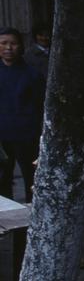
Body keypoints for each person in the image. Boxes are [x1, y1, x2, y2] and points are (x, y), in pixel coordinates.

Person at [0, 27, 44, 201]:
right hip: (1, 137)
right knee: (2, 179)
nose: (8, 48)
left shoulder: (32, 74)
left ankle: (32, 217)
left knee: (31, 178)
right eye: (3, 43)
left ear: (21, 46)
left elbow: (41, 105)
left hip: (26, 135)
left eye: (13, 43)